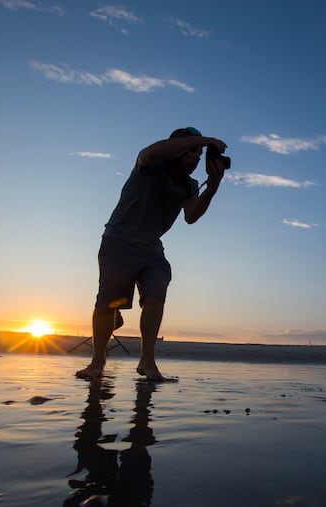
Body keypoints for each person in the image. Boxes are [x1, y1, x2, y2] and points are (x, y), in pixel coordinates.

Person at [76, 127, 228, 381]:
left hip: (151, 248)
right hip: (118, 242)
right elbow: (150, 152)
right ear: (176, 149)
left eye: (200, 154)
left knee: (156, 295)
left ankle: (147, 362)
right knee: (107, 303)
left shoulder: (189, 185)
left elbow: (191, 217)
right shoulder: (149, 165)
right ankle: (97, 362)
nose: (196, 158)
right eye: (191, 151)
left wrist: (212, 188)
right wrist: (204, 140)